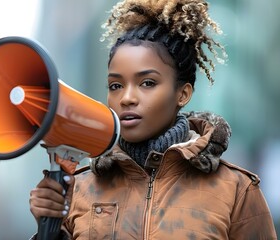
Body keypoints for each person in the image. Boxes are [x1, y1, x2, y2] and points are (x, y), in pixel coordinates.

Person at [29, 0, 278, 239]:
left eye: (147, 83)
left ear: (183, 94)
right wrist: (48, 230)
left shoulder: (235, 190)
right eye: (115, 85)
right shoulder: (80, 188)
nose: (126, 98)